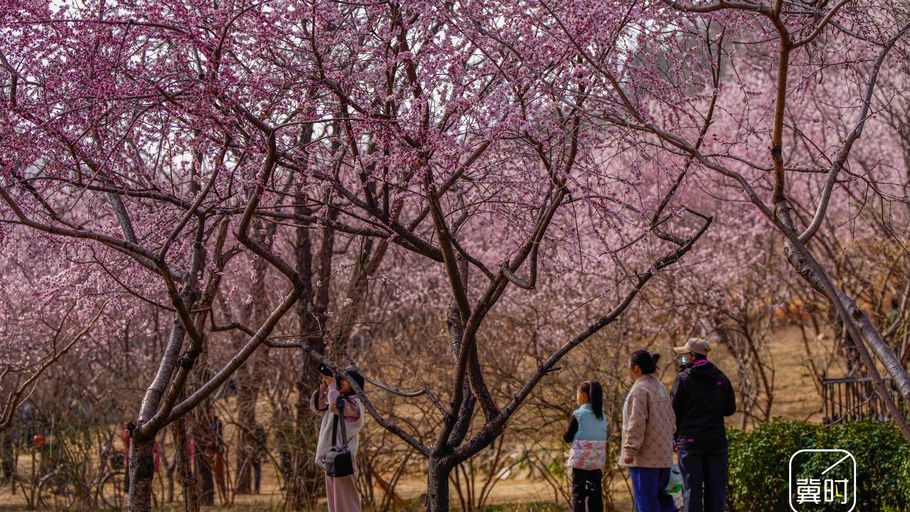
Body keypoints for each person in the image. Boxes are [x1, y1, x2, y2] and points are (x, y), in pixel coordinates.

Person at [670, 338, 736, 512]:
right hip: (716, 443)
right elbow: (730, 409)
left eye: (685, 354)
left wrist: (674, 439)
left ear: (692, 356)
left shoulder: (683, 379)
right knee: (716, 491)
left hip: (690, 445)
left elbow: (672, 412)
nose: (682, 358)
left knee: (692, 491)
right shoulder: (720, 378)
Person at [621, 350, 678, 512]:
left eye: (629, 367)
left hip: (645, 459)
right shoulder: (660, 387)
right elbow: (672, 419)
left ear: (636, 368)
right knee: (664, 500)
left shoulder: (639, 390)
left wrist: (630, 449)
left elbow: (636, 422)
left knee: (646, 502)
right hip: (663, 457)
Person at [310, 364, 366, 512]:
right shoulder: (337, 398)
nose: (340, 381)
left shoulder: (355, 405)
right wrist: (325, 385)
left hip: (344, 458)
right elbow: (318, 407)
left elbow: (335, 405)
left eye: (344, 380)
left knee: (347, 502)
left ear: (355, 385)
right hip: (331, 456)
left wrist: (333, 386)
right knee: (334, 504)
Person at [563, 380, 608, 512]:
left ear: (582, 395)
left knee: (579, 495)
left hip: (580, 464)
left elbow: (567, 437)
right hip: (596, 463)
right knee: (595, 494)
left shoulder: (578, 414)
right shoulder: (602, 416)